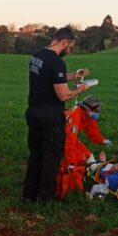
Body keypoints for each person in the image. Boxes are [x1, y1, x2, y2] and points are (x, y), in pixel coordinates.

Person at [24, 27, 92, 204]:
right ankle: (46, 199)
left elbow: (52, 77)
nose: (69, 51)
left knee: (36, 155)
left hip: (33, 112)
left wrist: (74, 75)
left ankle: (29, 195)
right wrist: (81, 89)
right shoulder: (57, 62)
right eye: (70, 47)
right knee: (51, 159)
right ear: (64, 42)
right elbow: (63, 95)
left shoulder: (37, 56)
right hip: (51, 116)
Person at [56, 96, 112, 199]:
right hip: (58, 138)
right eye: (96, 111)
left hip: (67, 137)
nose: (97, 113)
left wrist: (101, 140)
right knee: (78, 157)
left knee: (88, 155)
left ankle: (99, 172)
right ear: (87, 109)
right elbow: (69, 142)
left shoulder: (87, 116)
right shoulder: (75, 116)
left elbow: (93, 131)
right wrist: (71, 162)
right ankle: (76, 184)